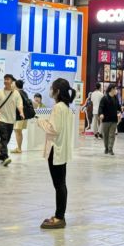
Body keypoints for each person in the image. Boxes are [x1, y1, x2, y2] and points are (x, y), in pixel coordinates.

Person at [38, 78, 76, 229]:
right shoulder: (66, 107)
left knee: (59, 184)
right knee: (61, 184)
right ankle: (59, 215)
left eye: (52, 88)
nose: (51, 91)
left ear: (57, 91)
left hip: (56, 149)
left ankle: (60, 217)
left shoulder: (58, 107)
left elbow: (54, 129)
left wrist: (41, 122)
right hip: (61, 149)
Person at [0, 74, 22, 166]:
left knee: (7, 139)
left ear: (12, 81)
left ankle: (1, 155)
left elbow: (19, 104)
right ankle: (5, 157)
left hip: (11, 120)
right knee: (4, 138)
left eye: (8, 79)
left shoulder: (16, 93)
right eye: (5, 79)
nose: (5, 81)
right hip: (1, 119)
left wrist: (21, 112)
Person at [98, 84, 120, 155]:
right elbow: (100, 107)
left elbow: (118, 107)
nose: (116, 90)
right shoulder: (104, 98)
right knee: (106, 135)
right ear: (112, 89)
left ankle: (110, 149)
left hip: (114, 120)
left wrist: (120, 111)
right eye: (115, 89)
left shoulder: (116, 98)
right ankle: (106, 148)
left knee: (112, 135)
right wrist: (101, 114)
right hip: (106, 120)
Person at [14, 79, 32, 153]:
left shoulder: (17, 93)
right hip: (24, 115)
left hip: (19, 116)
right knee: (19, 131)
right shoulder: (24, 92)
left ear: (16, 85)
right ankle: (19, 147)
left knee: (18, 131)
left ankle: (19, 148)